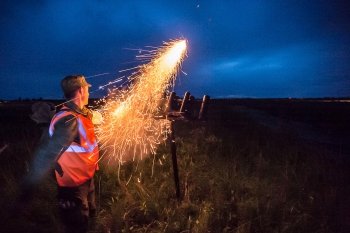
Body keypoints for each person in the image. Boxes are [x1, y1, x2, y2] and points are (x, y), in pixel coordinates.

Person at [25, 75, 100, 233]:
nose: (89, 92)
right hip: (73, 187)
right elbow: (48, 154)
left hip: (87, 180)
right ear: (80, 91)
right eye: (87, 89)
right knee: (77, 227)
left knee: (89, 219)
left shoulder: (81, 114)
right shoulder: (68, 121)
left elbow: (86, 136)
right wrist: (29, 186)